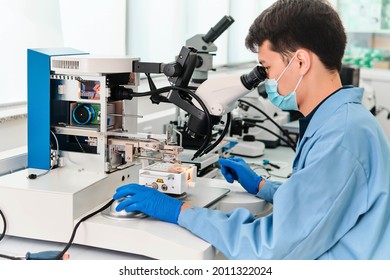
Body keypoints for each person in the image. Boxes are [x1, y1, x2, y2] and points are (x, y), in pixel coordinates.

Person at [113, 0, 390, 259]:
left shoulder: (340, 137)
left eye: (267, 67)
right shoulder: (341, 120)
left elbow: (270, 249)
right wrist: (265, 187)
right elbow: (319, 202)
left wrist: (179, 211)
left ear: (301, 62)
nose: (266, 79)